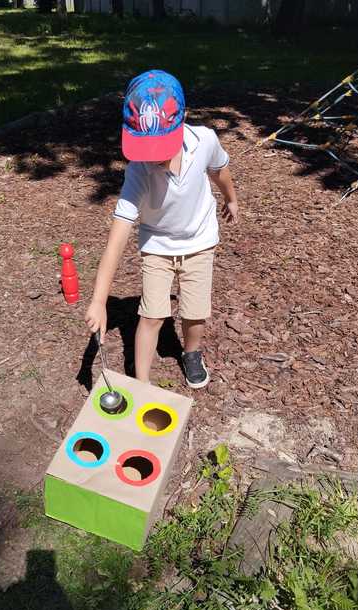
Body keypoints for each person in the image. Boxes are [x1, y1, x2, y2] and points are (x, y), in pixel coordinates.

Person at [85, 69, 239, 389]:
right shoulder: (139, 170)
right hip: (157, 244)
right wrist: (99, 301)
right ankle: (141, 382)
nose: (154, 156)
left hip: (199, 240)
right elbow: (116, 240)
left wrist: (231, 199)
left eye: (161, 146)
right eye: (147, 147)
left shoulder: (205, 141)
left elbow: (220, 171)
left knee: (195, 311)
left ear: (183, 118)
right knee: (152, 315)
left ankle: (192, 353)